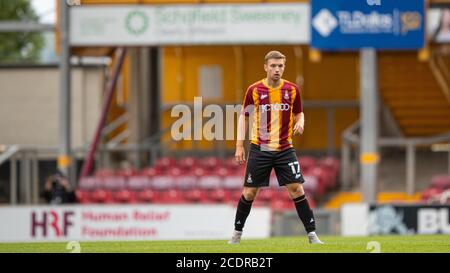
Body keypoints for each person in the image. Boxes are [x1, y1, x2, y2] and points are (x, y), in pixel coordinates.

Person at [228, 50, 323, 245]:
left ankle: (312, 235)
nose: (277, 69)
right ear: (265, 67)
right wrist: (239, 145)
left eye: (280, 66)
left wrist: (301, 122)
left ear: (284, 67)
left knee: (297, 189)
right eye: (273, 66)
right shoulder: (254, 90)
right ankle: (236, 234)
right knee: (249, 193)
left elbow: (299, 113)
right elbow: (243, 117)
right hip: (260, 149)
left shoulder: (292, 89)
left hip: (285, 149)